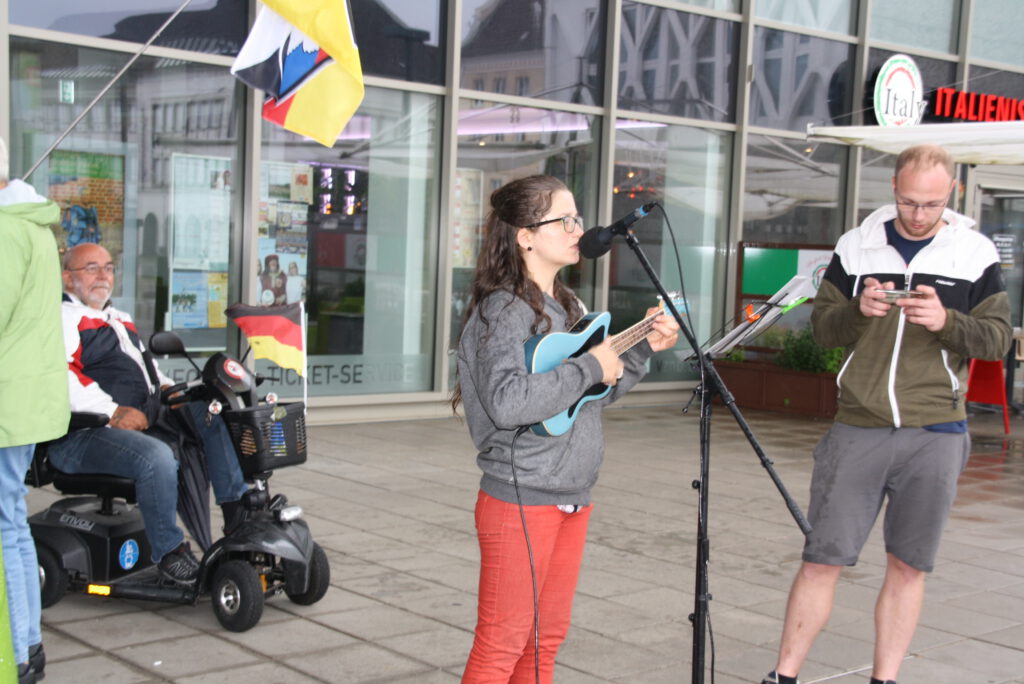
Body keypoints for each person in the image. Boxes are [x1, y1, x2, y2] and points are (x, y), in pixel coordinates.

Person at [761, 144, 1011, 684]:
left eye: (931, 203)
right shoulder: (856, 245)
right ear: (893, 186)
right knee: (822, 559)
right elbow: (822, 328)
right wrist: (858, 310)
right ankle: (783, 676)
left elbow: (996, 341)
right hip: (858, 426)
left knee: (908, 565)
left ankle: (885, 678)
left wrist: (946, 320)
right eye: (908, 201)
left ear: (953, 193)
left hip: (936, 432)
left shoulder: (973, 252)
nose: (919, 215)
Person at [453, 175, 680, 683]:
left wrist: (638, 349)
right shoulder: (504, 311)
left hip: (571, 493)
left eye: (577, 218)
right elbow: (509, 402)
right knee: (502, 644)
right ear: (525, 235)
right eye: (566, 220)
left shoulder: (570, 308)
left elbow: (592, 396)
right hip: (521, 497)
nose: (580, 229)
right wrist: (588, 367)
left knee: (544, 642)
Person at [48, 243, 250, 585]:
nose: (103, 275)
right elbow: (60, 376)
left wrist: (172, 390)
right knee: (156, 456)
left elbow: (146, 369)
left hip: (139, 420)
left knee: (214, 413)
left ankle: (237, 515)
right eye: (92, 268)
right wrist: (112, 412)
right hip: (82, 434)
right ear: (68, 279)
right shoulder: (61, 319)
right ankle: (170, 553)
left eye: (108, 267)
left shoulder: (117, 317)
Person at [0, 136, 66, 684]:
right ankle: (27, 645)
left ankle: (16, 655)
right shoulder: (32, 224)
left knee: (4, 528)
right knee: (11, 523)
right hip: (21, 400)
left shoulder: (4, 229)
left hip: (5, 399)